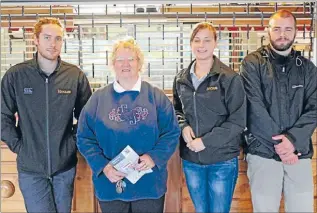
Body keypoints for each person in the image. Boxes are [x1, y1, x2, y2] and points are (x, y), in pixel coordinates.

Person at [76, 37, 180, 213]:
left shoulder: (156, 97)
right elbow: (84, 137)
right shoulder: (98, 99)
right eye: (120, 59)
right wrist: (103, 166)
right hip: (111, 184)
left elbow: (171, 132)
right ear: (113, 64)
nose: (126, 64)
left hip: (149, 185)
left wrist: (153, 157)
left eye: (131, 59)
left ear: (139, 63)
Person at [1, 17, 92, 213]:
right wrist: (20, 147)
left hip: (64, 168)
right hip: (31, 170)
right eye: (47, 37)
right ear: (35, 40)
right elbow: (3, 117)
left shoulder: (74, 76)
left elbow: (87, 117)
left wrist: (71, 144)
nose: (53, 44)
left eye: (58, 39)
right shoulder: (16, 75)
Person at [240, 10, 317, 212]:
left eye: (288, 29)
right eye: (277, 29)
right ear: (268, 31)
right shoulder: (251, 63)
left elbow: (314, 108)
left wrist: (292, 140)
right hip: (263, 152)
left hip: (297, 153)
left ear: (296, 32)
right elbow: (254, 107)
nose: (282, 34)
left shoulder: (308, 68)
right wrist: (281, 146)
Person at [172, 22, 246, 213]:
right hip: (192, 160)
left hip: (222, 161)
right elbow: (177, 110)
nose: (201, 45)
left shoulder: (229, 78)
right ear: (190, 44)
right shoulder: (181, 78)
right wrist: (183, 126)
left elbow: (238, 121)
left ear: (215, 44)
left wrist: (205, 141)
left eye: (207, 40)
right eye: (196, 40)